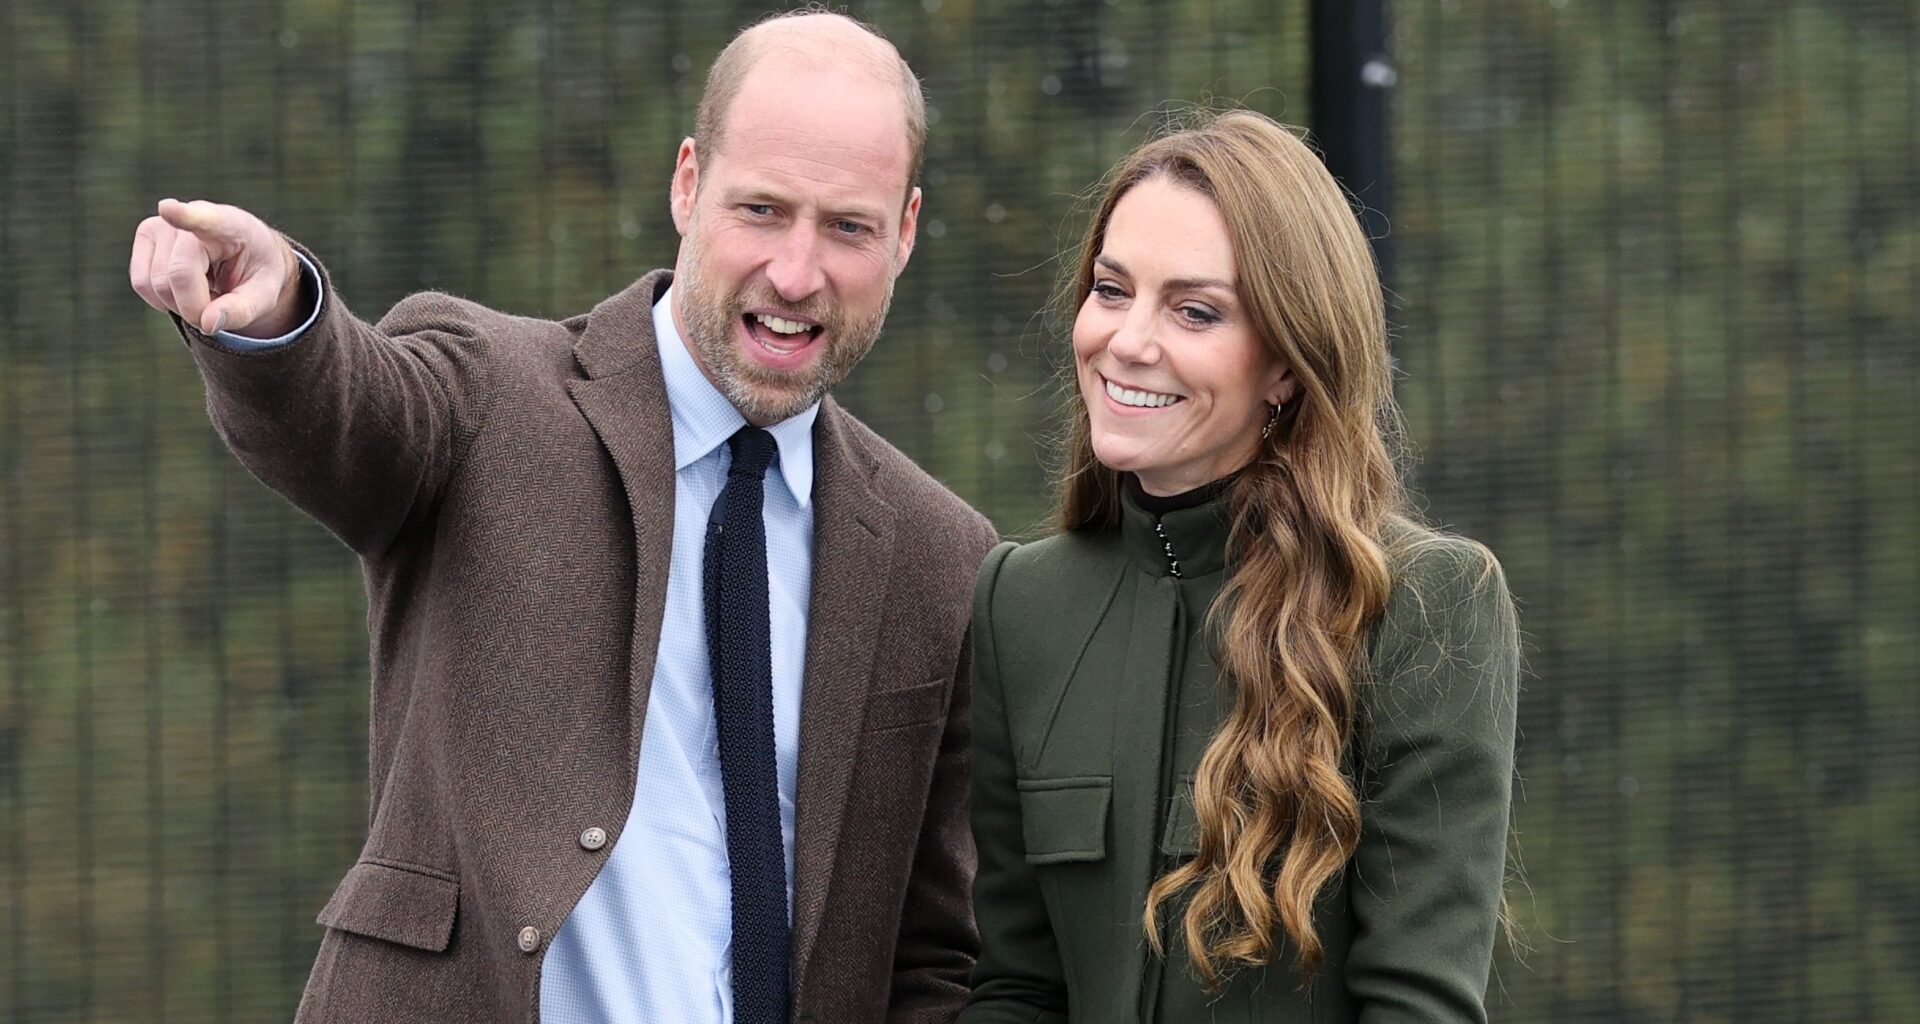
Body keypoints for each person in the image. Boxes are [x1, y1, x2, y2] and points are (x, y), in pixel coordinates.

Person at [127, 11, 997, 1024]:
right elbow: (351, 413)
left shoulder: (944, 559)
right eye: (761, 209)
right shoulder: (492, 394)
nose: (797, 273)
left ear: (905, 230)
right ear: (686, 184)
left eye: (847, 226)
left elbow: (934, 957)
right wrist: (283, 318)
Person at [960, 109, 1520, 1023]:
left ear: (1288, 367)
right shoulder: (1020, 602)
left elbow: (1417, 1007)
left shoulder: (1424, 604)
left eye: (1194, 310)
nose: (1128, 341)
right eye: (1110, 289)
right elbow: (1018, 988)